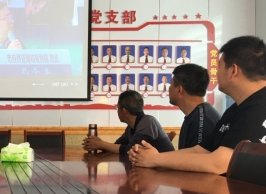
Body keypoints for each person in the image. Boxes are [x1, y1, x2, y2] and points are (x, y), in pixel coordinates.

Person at [130, 36, 266, 174]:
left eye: (219, 66)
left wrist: (155, 160)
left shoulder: (259, 108)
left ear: (233, 71)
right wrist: (154, 157)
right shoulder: (236, 108)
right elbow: (200, 150)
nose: (215, 72)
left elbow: (219, 163)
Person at [83, 90, 174, 155]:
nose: (117, 111)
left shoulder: (148, 122)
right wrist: (96, 144)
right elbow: (117, 146)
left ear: (124, 111)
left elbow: (130, 150)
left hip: (166, 171)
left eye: (117, 108)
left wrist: (101, 144)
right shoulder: (131, 127)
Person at [169, 64, 221, 149]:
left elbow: (198, 156)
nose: (169, 88)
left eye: (171, 84)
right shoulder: (195, 116)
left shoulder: (203, 121)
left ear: (179, 90)